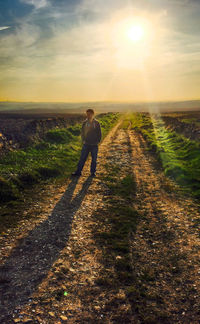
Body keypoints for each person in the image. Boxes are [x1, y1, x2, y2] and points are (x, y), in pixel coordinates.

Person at [71, 108, 102, 177]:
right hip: (86, 144)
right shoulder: (84, 123)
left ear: (93, 114)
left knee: (94, 159)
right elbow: (82, 132)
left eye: (90, 114)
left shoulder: (96, 123)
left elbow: (99, 133)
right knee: (82, 158)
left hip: (94, 145)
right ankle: (78, 172)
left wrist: (98, 141)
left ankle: (93, 173)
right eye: (87, 114)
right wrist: (83, 140)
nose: (88, 115)